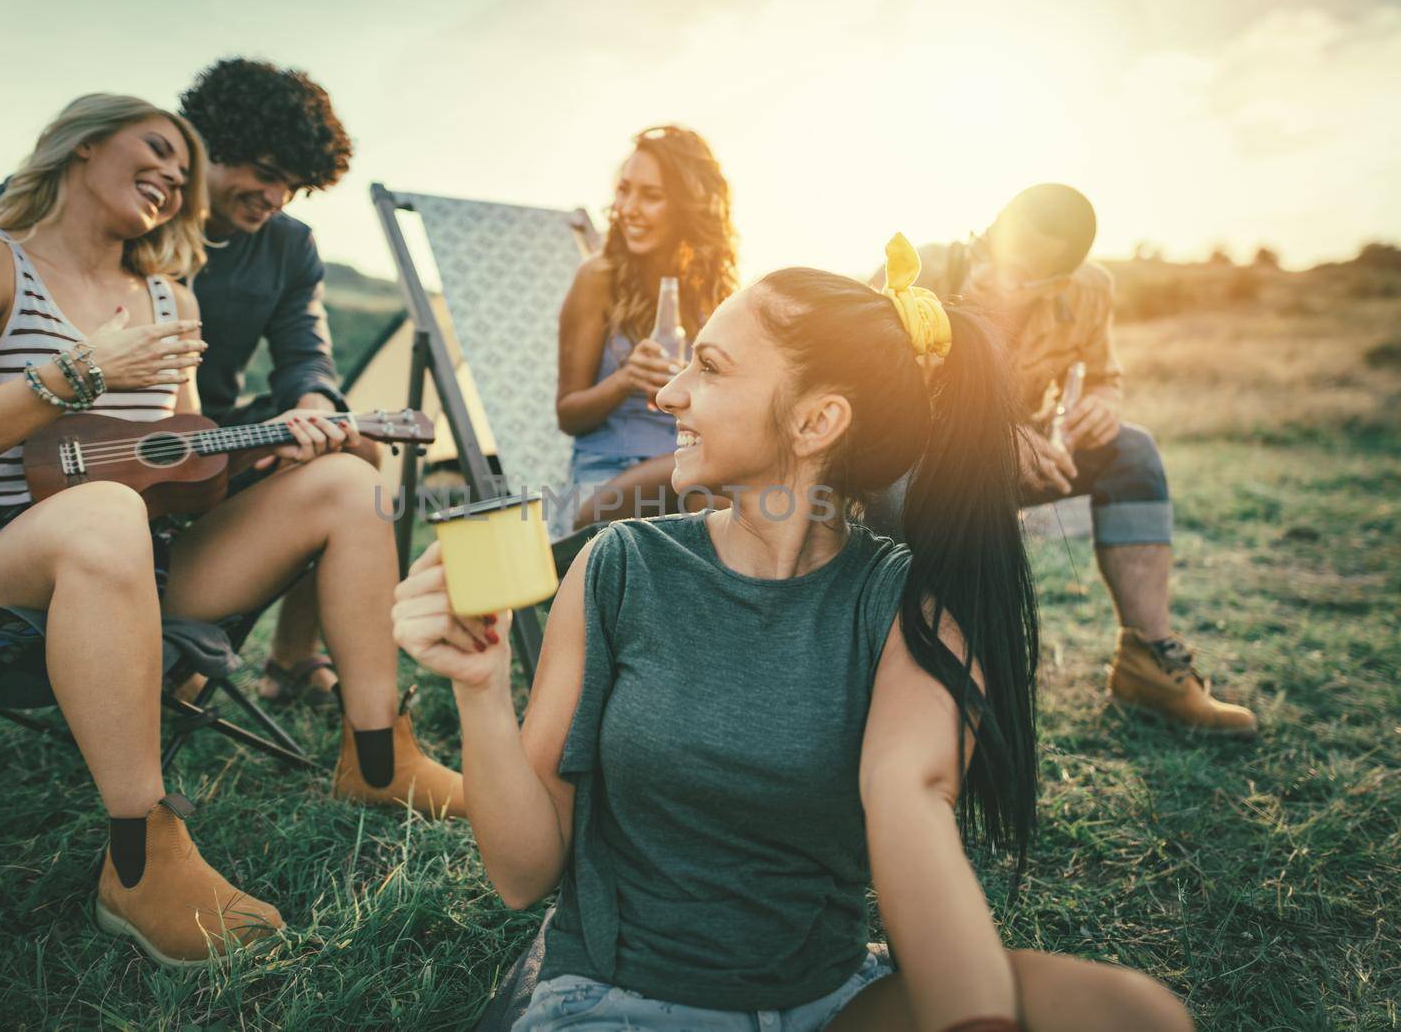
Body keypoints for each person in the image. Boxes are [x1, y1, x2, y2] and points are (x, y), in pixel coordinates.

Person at [394, 237, 1193, 1031]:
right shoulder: (619, 569)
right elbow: (522, 873)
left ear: (817, 421)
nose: (669, 393)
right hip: (620, 1000)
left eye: (708, 367)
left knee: (1128, 1013)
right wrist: (481, 691)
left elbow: (908, 795)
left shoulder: (906, 602)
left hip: (829, 999)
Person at [0, 94, 459, 964]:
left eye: (182, 172)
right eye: (155, 148)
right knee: (105, 513)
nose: (170, 174)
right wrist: (82, 370)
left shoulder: (170, 299)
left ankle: (378, 756)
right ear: (82, 146)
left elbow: (178, 469)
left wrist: (268, 452)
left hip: (143, 558)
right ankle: (140, 855)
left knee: (343, 479)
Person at [0, 57, 371, 714]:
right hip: (56, 451)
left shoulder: (282, 248)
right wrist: (6, 318)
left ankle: (294, 658)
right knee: (104, 512)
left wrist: (306, 411)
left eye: (295, 189)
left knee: (352, 454)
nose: (277, 200)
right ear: (213, 145)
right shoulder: (74, 208)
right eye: (269, 175)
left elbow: (307, 352)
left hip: (186, 440)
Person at [887, 184, 1255, 737]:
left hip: (1021, 457)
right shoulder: (923, 268)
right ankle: (906, 666)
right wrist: (990, 436)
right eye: (1002, 248)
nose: (1007, 271)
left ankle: (1148, 665)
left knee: (1132, 450)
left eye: (1028, 272)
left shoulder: (1091, 290)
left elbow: (1104, 375)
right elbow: (874, 398)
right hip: (917, 465)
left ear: (1060, 278)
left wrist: (1103, 403)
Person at [553, 125, 738, 530]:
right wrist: (625, 380)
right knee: (725, 496)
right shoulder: (598, 278)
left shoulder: (716, 293)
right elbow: (567, 414)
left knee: (743, 492)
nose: (628, 208)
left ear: (689, 207)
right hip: (609, 484)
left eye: (651, 196)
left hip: (691, 473)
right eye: (624, 190)